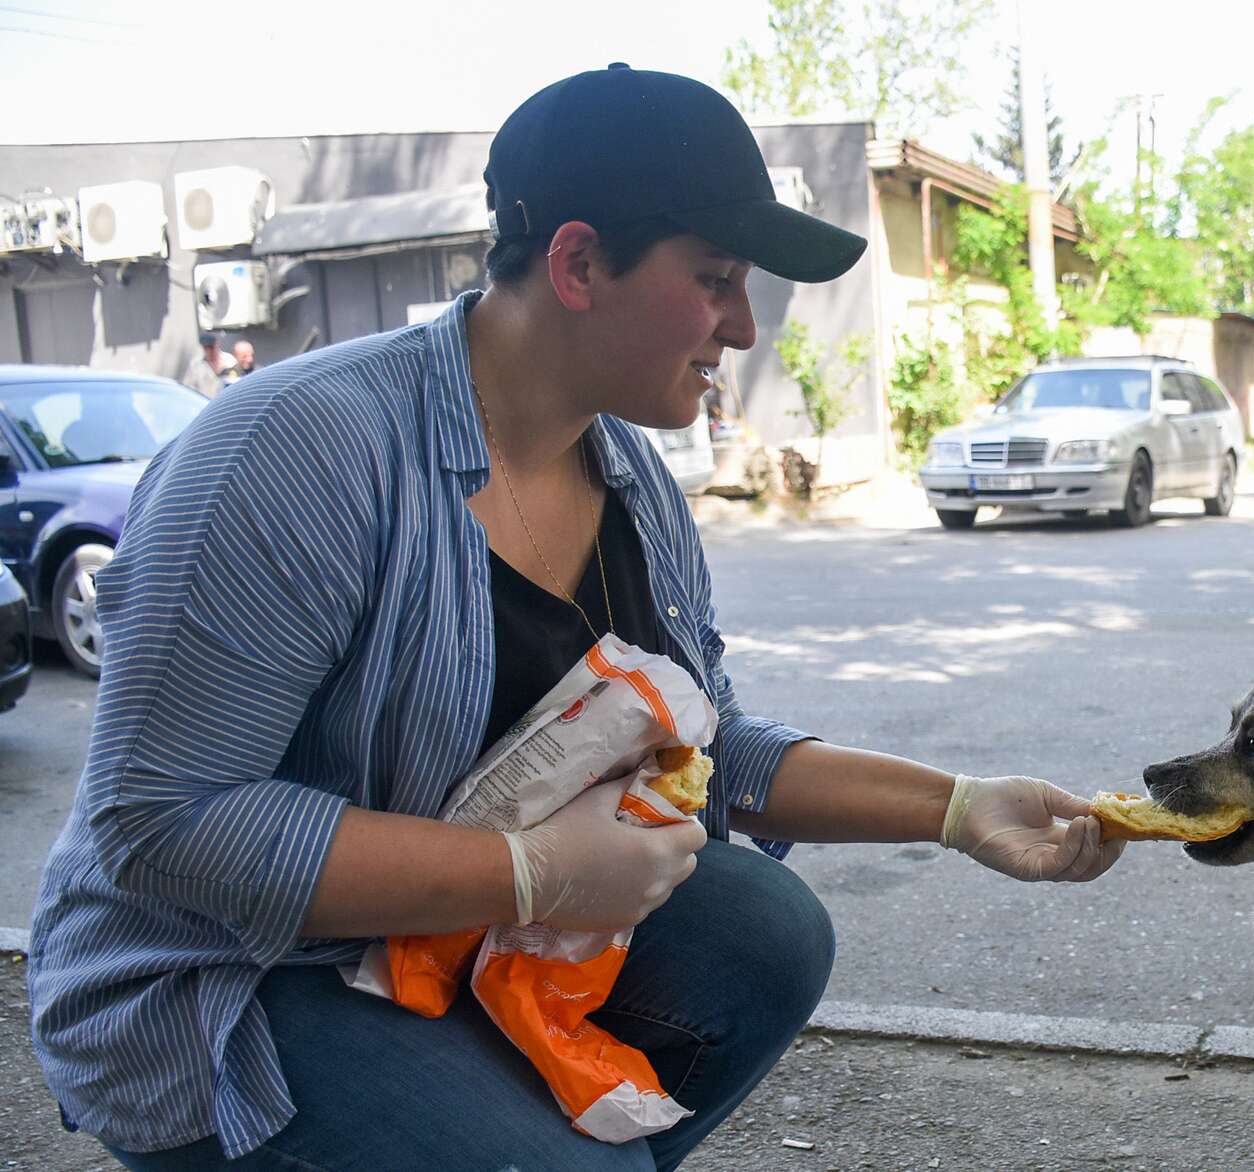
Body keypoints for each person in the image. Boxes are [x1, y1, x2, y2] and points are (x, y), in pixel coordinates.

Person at [28, 64, 1127, 1172]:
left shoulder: (630, 474)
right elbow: (162, 825)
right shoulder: (294, 455)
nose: (741, 327)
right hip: (240, 983)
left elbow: (710, 749)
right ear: (578, 263)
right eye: (714, 278)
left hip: (471, 948)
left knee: (762, 926)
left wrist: (955, 807)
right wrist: (527, 873)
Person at [178, 331, 227, 397]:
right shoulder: (195, 365)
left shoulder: (228, 361)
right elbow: (187, 388)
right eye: (206, 348)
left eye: (211, 347)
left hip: (223, 404)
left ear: (217, 345)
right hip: (202, 403)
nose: (209, 351)